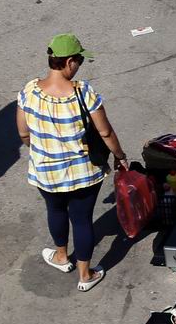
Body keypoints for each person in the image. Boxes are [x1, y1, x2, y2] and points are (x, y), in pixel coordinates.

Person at [16, 35, 123, 294]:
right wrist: (120, 156)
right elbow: (105, 133)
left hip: (46, 171)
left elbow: (23, 133)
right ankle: (86, 275)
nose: (81, 65)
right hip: (83, 172)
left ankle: (62, 257)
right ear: (70, 62)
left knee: (55, 211)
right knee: (83, 220)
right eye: (81, 60)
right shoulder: (83, 93)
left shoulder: (29, 91)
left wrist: (43, 150)